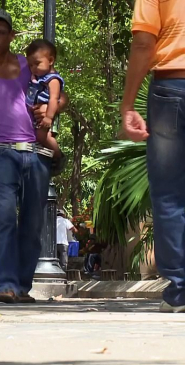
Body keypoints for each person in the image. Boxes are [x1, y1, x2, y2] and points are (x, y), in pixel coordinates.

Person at [0, 8, 67, 304]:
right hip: (2, 152)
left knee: (33, 222)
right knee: (5, 217)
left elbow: (57, 91)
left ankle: (22, 286)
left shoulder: (27, 64)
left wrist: (51, 109)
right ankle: (4, 285)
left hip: (37, 152)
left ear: (11, 35)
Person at [120, 0, 185, 313]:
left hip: (172, 85)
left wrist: (128, 104)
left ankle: (181, 290)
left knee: (170, 193)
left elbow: (144, 42)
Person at [25, 39, 64, 160]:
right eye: (30, 65)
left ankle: (57, 157)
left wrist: (49, 117)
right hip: (39, 115)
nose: (33, 68)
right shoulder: (38, 77)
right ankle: (49, 156)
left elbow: (54, 99)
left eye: (37, 63)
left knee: (43, 137)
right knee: (39, 137)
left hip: (48, 115)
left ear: (51, 60)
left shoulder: (53, 80)